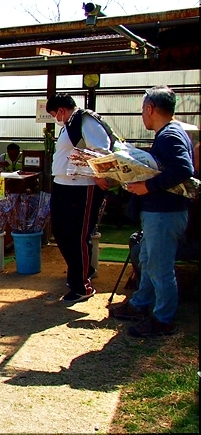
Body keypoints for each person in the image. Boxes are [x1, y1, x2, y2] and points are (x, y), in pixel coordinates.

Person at [110, 86, 195, 337]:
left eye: (142, 110)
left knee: (160, 268)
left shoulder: (170, 135)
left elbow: (183, 168)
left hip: (165, 214)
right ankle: (140, 304)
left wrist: (147, 186)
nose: (142, 116)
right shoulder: (168, 133)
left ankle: (163, 319)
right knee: (148, 260)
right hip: (158, 213)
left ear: (150, 109)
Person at [46, 93, 114, 303]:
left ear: (61, 110)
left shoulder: (85, 120)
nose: (55, 119)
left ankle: (81, 285)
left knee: (77, 235)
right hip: (63, 184)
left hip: (82, 187)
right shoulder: (68, 125)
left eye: (54, 114)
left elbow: (102, 150)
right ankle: (82, 270)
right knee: (60, 231)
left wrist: (98, 175)